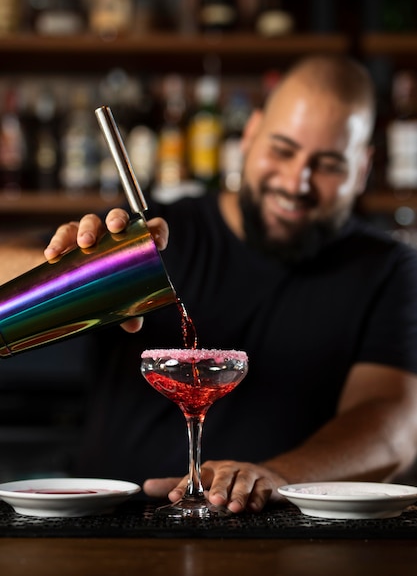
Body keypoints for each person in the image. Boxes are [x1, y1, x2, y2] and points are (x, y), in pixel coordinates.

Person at [3, 54, 417, 515]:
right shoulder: (156, 234)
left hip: (277, 539)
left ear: (362, 167)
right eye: (282, 149)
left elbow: (393, 427)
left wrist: (279, 477)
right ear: (251, 134)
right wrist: (75, 269)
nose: (296, 182)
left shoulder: (387, 268)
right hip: (109, 533)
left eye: (328, 164)